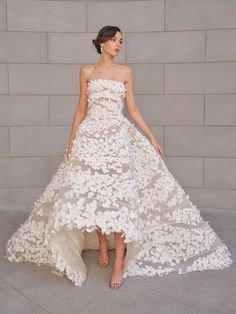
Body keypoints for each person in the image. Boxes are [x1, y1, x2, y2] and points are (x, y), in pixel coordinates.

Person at [5, 25, 233, 290]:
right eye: (114, 40)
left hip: (118, 139)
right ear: (101, 42)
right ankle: (102, 243)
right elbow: (81, 109)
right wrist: (72, 138)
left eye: (121, 41)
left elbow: (133, 109)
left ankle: (118, 263)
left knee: (119, 197)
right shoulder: (86, 72)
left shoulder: (126, 72)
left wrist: (152, 137)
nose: (118, 44)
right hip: (91, 138)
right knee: (97, 194)